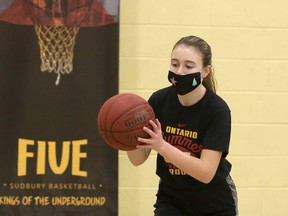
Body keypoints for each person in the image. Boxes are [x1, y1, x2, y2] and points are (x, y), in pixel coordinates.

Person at [127, 35, 238, 216]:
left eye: (189, 66)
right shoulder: (158, 101)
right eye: (174, 64)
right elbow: (137, 160)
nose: (179, 72)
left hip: (214, 202)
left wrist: (162, 146)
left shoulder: (217, 110)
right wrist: (126, 136)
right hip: (172, 200)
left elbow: (205, 173)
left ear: (205, 71)